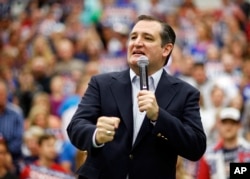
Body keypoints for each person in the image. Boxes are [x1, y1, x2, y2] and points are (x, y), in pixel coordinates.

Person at [67, 14, 206, 179]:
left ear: (166, 49)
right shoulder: (102, 84)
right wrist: (97, 135)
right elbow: (75, 126)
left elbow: (196, 146)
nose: (137, 42)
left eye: (147, 38)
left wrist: (159, 117)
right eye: (133, 37)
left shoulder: (185, 93)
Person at [197, 107, 250, 179]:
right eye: (225, 123)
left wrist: (233, 170)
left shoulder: (248, 150)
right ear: (219, 125)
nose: (228, 127)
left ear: (239, 125)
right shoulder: (208, 154)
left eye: (232, 123)